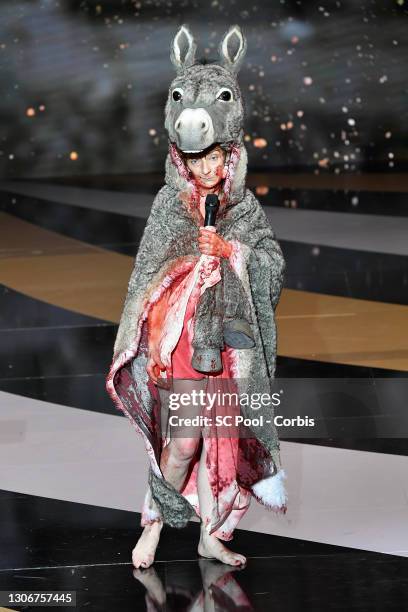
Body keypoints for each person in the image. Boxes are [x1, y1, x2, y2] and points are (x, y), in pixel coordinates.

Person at [105, 23, 287, 573]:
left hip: (231, 347)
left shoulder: (244, 209)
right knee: (184, 444)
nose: (207, 168)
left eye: (217, 158)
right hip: (184, 345)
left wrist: (233, 251)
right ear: (183, 157)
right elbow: (147, 276)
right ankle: (154, 530)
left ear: (229, 156)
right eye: (198, 159)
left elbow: (271, 266)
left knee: (218, 448)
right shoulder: (169, 206)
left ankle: (209, 537)